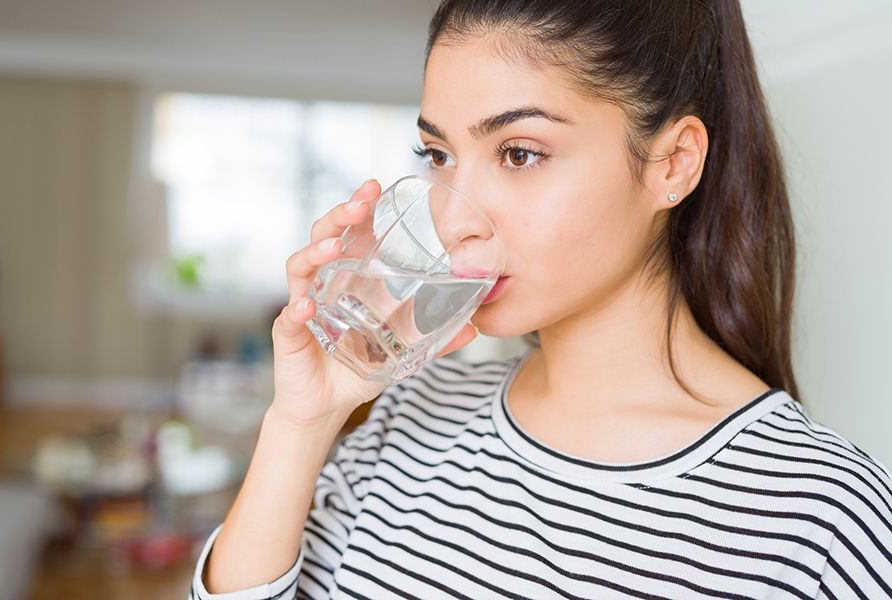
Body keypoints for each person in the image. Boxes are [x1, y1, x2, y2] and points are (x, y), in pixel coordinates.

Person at [191, 1, 892, 598]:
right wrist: (301, 423)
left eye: (520, 153)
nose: (455, 217)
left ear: (672, 163)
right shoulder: (413, 410)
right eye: (438, 156)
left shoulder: (820, 520)